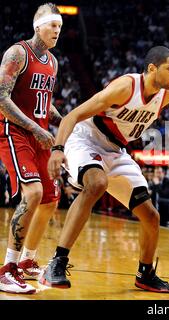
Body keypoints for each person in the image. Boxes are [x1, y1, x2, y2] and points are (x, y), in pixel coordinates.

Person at [41, 46, 169, 293]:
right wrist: (58, 149)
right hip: (86, 138)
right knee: (96, 183)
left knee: (151, 217)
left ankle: (145, 274)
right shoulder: (125, 87)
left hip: (116, 150)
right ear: (152, 69)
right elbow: (72, 115)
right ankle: (57, 261)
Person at [0, 3, 63, 294]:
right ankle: (7, 269)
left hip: (38, 135)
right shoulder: (17, 53)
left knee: (51, 199)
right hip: (14, 132)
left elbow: (42, 99)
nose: (57, 32)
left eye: (60, 28)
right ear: (39, 25)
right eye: (53, 26)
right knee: (34, 192)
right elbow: (2, 97)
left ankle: (27, 261)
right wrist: (36, 127)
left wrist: (59, 118)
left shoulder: (52, 62)